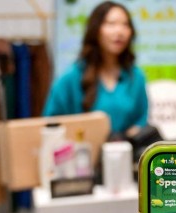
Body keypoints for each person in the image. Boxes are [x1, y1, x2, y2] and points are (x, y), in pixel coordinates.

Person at [43, 1, 148, 137]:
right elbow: (50, 126)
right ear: (95, 29)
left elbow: (141, 122)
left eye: (125, 24)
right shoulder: (70, 77)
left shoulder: (136, 77)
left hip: (126, 149)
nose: (119, 31)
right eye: (111, 24)